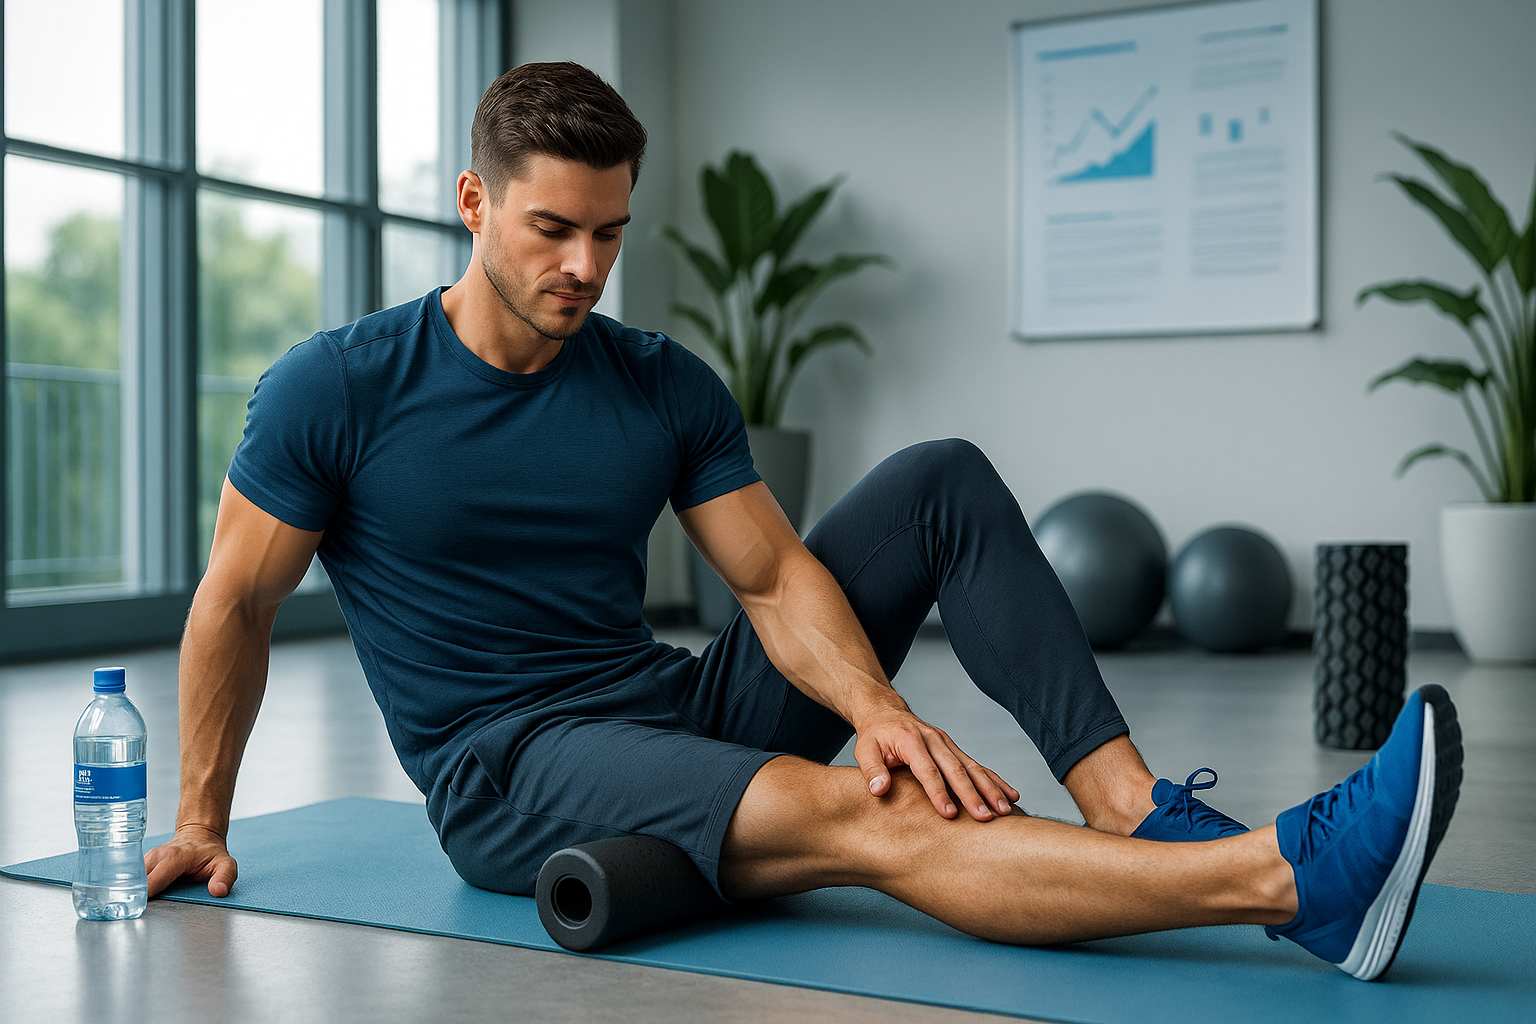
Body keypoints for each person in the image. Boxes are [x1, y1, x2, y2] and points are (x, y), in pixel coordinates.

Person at [145, 61, 1461, 982]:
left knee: (936, 477)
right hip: (513, 770)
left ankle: (1132, 810)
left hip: (662, 707)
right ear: (474, 202)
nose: (585, 269)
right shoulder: (338, 387)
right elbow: (238, 602)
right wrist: (203, 818)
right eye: (552, 230)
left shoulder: (656, 382)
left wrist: (882, 705)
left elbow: (772, 581)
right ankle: (1286, 882)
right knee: (866, 815)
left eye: (609, 234)